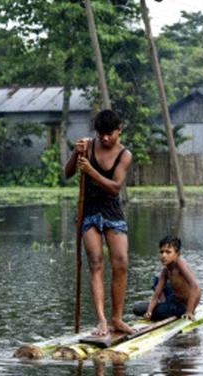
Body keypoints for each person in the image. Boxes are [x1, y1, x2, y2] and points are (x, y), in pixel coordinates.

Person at [64, 109, 135, 336]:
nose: (104, 138)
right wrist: (77, 154)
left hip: (112, 210)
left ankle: (117, 319)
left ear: (118, 131)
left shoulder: (125, 155)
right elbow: (67, 173)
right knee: (95, 262)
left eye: (109, 134)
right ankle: (102, 321)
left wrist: (91, 172)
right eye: (100, 134)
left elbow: (115, 187)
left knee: (121, 262)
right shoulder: (88, 146)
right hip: (90, 210)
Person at [133, 236, 201, 321]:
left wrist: (189, 311)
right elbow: (156, 295)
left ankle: (164, 307)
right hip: (174, 299)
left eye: (168, 252)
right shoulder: (165, 270)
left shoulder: (180, 265)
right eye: (161, 252)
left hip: (182, 307)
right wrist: (149, 311)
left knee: (138, 308)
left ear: (177, 254)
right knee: (156, 281)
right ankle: (164, 305)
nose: (164, 255)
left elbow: (195, 287)